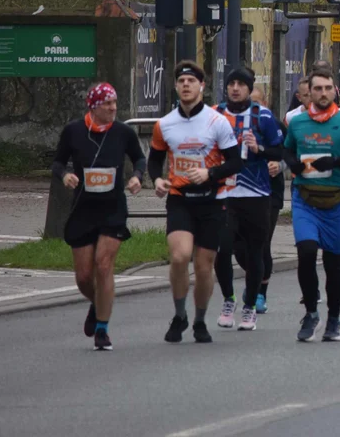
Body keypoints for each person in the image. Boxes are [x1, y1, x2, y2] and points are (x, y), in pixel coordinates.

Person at [149, 61, 243, 345]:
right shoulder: (164, 124)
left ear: (202, 86)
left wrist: (210, 173)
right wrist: (156, 180)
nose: (186, 85)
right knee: (179, 257)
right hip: (180, 200)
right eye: (181, 82)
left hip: (212, 201)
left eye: (191, 81)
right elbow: (155, 160)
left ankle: (200, 320)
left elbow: (236, 161)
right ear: (176, 87)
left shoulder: (217, 122)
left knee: (203, 267)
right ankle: (180, 315)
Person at [51, 82, 146, 351]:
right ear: (93, 106)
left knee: (104, 265)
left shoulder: (123, 132)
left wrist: (138, 178)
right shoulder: (73, 131)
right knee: (83, 277)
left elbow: (140, 160)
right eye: (107, 104)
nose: (114, 108)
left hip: (113, 207)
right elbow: (58, 162)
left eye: (115, 102)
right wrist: (65, 175)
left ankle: (102, 329)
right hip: (84, 208)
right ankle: (97, 303)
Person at [284, 69, 340, 342]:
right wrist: (293, 163)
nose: (323, 93)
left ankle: (334, 318)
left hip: (336, 200)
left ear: (335, 91)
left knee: (333, 263)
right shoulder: (297, 123)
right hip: (305, 199)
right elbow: (285, 148)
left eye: (327, 88)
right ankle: (311, 313)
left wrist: (335, 162)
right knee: (307, 251)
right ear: (307, 93)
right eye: (317, 88)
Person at [211, 67, 285, 332]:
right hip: (225, 193)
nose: (235, 88)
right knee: (222, 249)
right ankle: (228, 300)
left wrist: (259, 149)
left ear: (249, 88)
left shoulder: (263, 116)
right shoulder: (215, 114)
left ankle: (250, 305)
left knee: (255, 253)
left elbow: (280, 149)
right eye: (231, 83)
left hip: (256, 195)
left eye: (241, 84)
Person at [248, 85, 284, 314]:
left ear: (266, 103)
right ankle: (253, 281)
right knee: (241, 244)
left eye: (257, 104)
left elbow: (291, 153)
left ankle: (260, 293)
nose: (254, 109)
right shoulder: (234, 125)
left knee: (262, 244)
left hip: (270, 193)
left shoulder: (275, 125)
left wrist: (280, 165)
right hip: (242, 193)